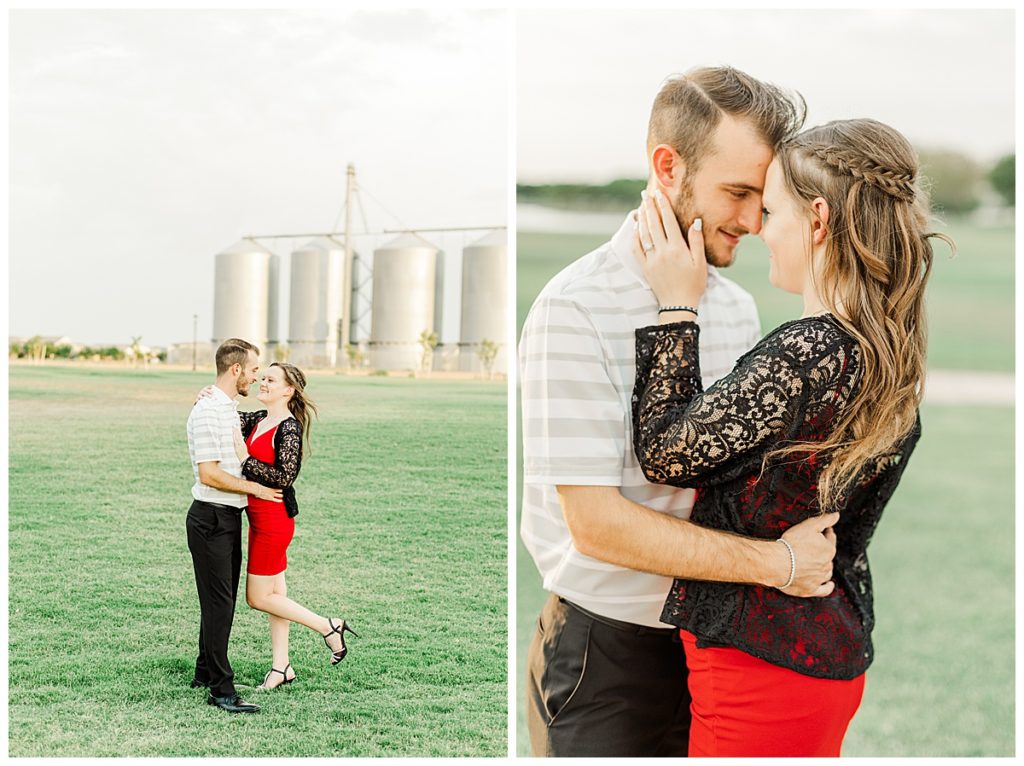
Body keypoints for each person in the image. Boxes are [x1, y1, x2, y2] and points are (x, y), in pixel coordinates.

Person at [519, 66, 839, 757]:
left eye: (765, 197)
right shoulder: (575, 307)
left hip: (717, 651)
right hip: (608, 659)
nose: (755, 222)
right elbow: (597, 526)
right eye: (738, 192)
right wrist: (776, 564)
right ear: (668, 166)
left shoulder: (734, 303)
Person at [631, 117, 951, 756]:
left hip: (760, 673)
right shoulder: (889, 358)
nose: (757, 228)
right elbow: (847, 537)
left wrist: (676, 306)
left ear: (819, 220)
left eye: (772, 209)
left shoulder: (809, 350)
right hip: (827, 658)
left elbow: (664, 452)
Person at [214, 361, 357, 690]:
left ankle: (328, 626)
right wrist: (211, 395)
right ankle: (281, 668)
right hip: (259, 520)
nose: (262, 383)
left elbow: (284, 476)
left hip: (273, 523)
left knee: (258, 598)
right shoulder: (260, 419)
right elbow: (227, 415)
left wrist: (243, 458)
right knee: (277, 594)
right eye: (262, 378)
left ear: (288, 390)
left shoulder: (288, 427)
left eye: (271, 380)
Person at [186, 338, 281, 714]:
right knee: (220, 606)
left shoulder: (227, 407)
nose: (257, 377)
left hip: (226, 517)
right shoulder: (210, 410)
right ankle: (222, 691)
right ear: (236, 369)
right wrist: (254, 487)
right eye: (255, 370)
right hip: (212, 517)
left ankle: (204, 671)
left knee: (216, 603)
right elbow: (209, 474)